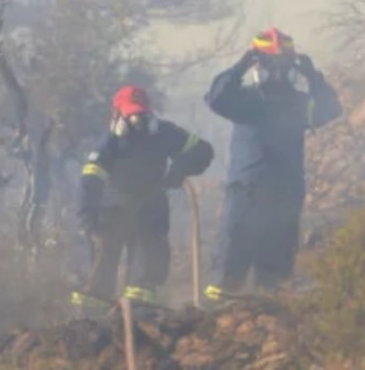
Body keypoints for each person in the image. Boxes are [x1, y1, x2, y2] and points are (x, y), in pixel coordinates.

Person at [202, 27, 342, 303]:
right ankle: (224, 292)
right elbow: (216, 97)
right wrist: (241, 65)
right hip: (249, 185)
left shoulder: (298, 104)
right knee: (236, 240)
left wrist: (313, 76)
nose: (276, 73)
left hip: (285, 187)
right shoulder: (245, 100)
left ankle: (271, 294)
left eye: (283, 65)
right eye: (269, 63)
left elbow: (330, 109)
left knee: (279, 248)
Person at [71, 85, 214, 314]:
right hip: (112, 211)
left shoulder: (163, 133)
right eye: (130, 114)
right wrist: (87, 221)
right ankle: (89, 321)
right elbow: (90, 181)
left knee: (147, 266)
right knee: (97, 269)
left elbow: (203, 150)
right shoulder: (109, 143)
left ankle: (139, 315)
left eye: (141, 114)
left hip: (150, 207)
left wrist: (178, 170)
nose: (136, 120)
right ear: (117, 114)